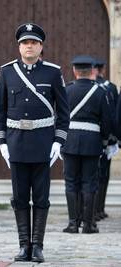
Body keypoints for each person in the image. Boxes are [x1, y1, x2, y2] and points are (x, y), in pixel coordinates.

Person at [0, 23, 69, 262]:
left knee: (41, 197)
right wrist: (2, 142)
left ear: (41, 46)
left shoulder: (53, 72)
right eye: (25, 42)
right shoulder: (7, 72)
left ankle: (37, 245)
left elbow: (64, 113)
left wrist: (58, 141)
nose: (29, 46)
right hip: (16, 143)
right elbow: (0, 111)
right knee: (18, 197)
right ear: (19, 46)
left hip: (42, 143)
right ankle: (23, 245)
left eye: (34, 43)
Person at [61, 55, 111, 234]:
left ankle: (73, 224)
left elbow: (59, 118)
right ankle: (89, 225)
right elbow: (107, 122)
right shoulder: (100, 92)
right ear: (92, 71)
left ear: (75, 71)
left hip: (70, 141)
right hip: (92, 142)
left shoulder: (66, 90)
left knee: (71, 182)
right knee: (90, 183)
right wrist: (104, 141)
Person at [94, 59, 118, 221]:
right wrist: (114, 138)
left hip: (90, 138)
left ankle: (93, 210)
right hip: (105, 138)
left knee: (93, 176)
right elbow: (114, 117)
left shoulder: (75, 86)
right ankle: (98, 209)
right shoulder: (110, 88)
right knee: (101, 175)